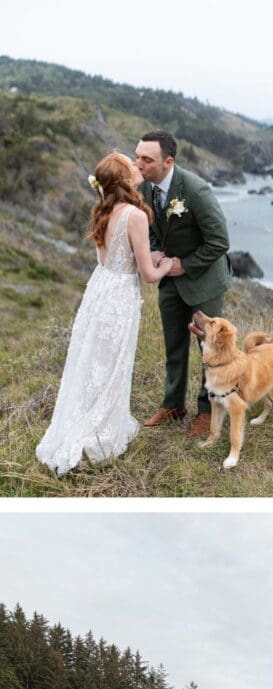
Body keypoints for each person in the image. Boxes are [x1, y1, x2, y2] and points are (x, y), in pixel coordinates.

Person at [36, 153, 173, 476]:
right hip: (119, 297)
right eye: (131, 164)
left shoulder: (104, 210)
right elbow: (148, 276)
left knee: (93, 362)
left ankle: (82, 418)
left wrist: (146, 255)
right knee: (111, 364)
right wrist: (166, 263)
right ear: (125, 179)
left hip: (99, 290)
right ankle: (97, 432)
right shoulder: (136, 215)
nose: (137, 166)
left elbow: (110, 257)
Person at [135, 130, 231, 438]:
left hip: (203, 282)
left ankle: (207, 411)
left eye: (146, 160)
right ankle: (173, 405)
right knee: (173, 345)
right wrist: (154, 249)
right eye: (137, 157)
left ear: (168, 161)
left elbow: (220, 242)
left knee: (210, 351)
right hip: (170, 283)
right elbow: (151, 226)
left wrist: (184, 265)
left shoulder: (195, 190)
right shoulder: (148, 188)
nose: (138, 164)